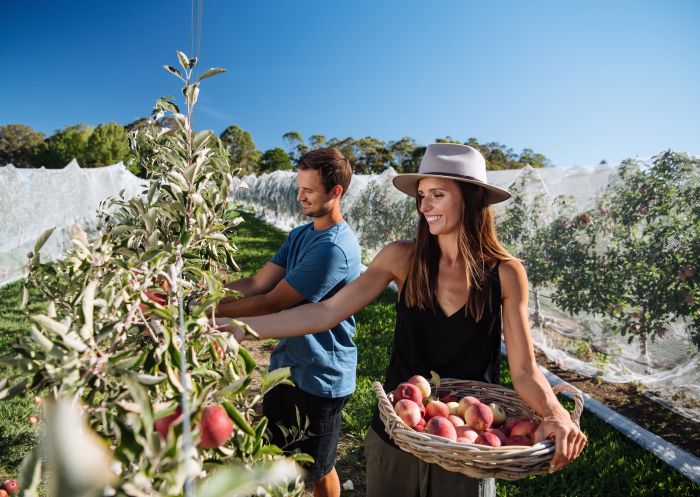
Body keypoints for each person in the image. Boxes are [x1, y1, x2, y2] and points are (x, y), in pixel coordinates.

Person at [216, 143, 587, 497]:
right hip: (398, 432)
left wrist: (555, 413)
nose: (425, 205)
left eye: (437, 194)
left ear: (471, 198)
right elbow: (326, 312)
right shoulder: (401, 259)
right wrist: (237, 329)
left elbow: (524, 370)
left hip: (470, 444)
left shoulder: (505, 273)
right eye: (421, 195)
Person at [215, 147, 361, 497]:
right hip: (287, 366)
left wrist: (210, 315)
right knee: (282, 455)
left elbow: (271, 302)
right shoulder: (300, 235)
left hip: (321, 376)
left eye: (308, 190)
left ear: (335, 191)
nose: (299, 196)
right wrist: (199, 293)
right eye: (299, 187)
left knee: (318, 469)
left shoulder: (333, 249)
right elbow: (256, 283)